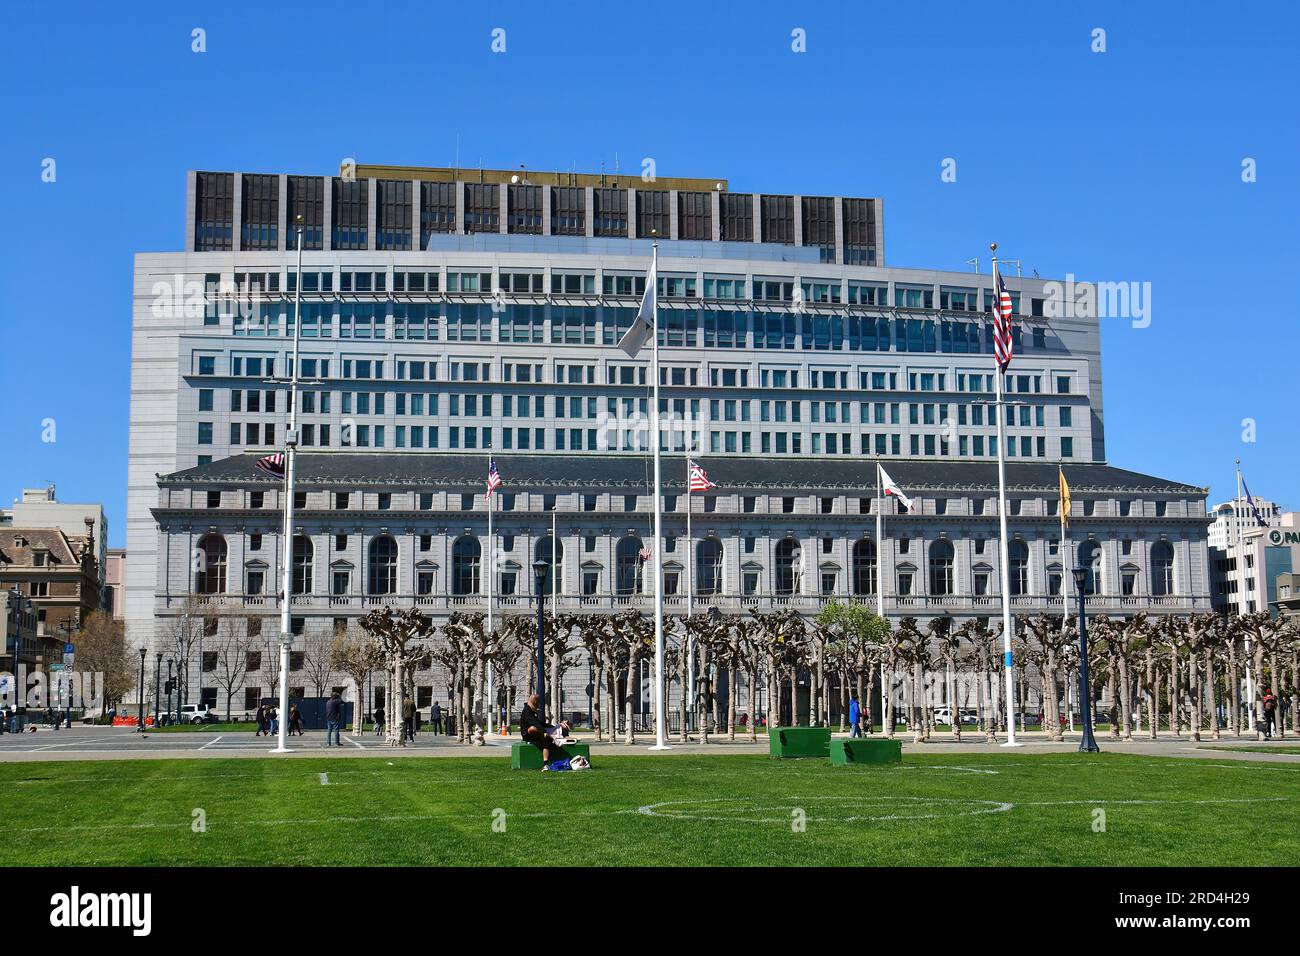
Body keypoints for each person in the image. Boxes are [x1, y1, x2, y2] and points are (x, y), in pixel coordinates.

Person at [520, 693, 563, 770]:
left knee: (546, 739)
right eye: (538, 702)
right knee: (533, 728)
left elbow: (539, 723)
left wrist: (554, 727)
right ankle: (550, 737)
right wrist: (544, 731)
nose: (539, 704)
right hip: (527, 734)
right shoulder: (527, 710)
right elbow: (534, 723)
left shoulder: (533, 710)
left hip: (538, 734)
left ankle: (545, 764)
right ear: (535, 701)